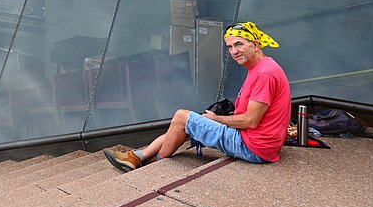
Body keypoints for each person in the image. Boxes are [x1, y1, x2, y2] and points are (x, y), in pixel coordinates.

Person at [104, 21, 291, 171]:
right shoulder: (261, 67)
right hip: (259, 143)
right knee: (188, 122)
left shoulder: (265, 73)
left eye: (239, 44)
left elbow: (251, 121)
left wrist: (217, 119)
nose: (234, 51)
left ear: (255, 45)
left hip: (253, 147)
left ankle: (155, 162)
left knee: (181, 116)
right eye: (230, 47)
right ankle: (138, 156)